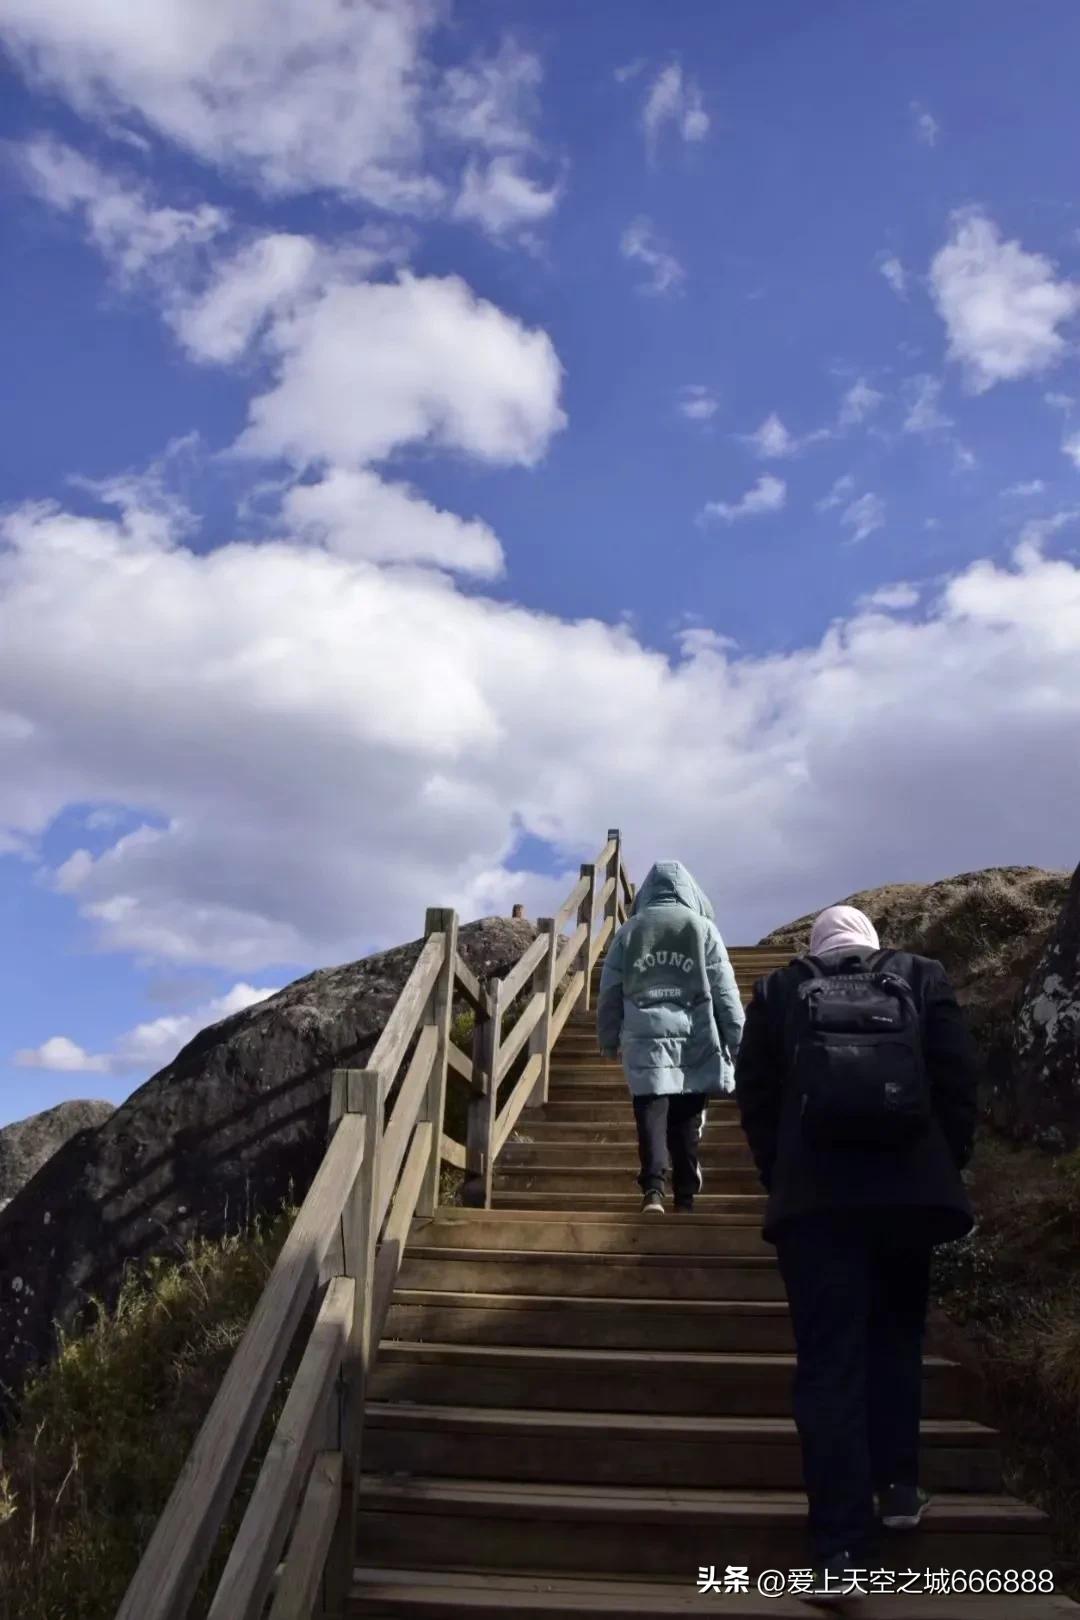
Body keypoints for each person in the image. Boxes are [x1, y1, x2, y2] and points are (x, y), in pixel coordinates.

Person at [734, 904, 979, 1609]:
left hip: (816, 1204)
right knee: (897, 1338)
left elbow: (755, 1095)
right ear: (873, 943)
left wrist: (780, 1174)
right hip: (908, 1194)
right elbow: (958, 1078)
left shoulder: (781, 990)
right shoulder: (922, 975)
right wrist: (942, 1164)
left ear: (816, 945)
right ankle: (899, 1488)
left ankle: (841, 1550)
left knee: (829, 1364)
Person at [597, 861, 744, 1215]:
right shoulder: (702, 928)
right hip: (695, 1038)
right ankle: (686, 1200)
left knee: (650, 1113)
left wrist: (607, 1036)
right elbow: (726, 992)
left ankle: (652, 1192)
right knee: (687, 1122)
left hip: (644, 1038)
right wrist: (740, 1043)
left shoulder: (629, 930)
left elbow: (610, 989)